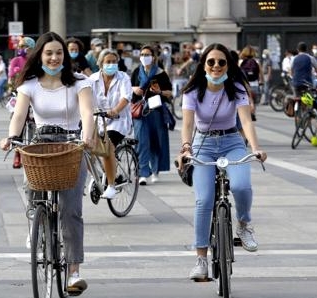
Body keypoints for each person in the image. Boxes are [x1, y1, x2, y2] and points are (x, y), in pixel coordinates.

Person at [0, 31, 95, 295]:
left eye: (59, 53)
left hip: (72, 144)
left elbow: (87, 113)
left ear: (65, 55)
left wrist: (87, 136)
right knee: (32, 189)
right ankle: (37, 221)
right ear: (39, 55)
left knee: (71, 210)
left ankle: (74, 271)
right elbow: (19, 115)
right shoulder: (29, 84)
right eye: (49, 53)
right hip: (40, 143)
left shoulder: (79, 82)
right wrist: (11, 137)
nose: (54, 58)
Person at [175, 43, 267, 281]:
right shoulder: (192, 90)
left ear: (229, 65)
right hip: (203, 145)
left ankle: (244, 224)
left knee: (241, 186)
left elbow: (246, 122)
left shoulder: (236, 88)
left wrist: (255, 148)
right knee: (203, 200)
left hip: (232, 142)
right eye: (211, 62)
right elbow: (187, 125)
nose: (216, 66)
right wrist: (186, 148)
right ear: (203, 64)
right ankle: (201, 260)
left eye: (221, 62)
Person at [89, 48, 132, 199]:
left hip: (118, 121)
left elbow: (126, 97)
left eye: (114, 62)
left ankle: (112, 185)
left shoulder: (123, 77)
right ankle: (101, 176)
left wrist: (115, 110)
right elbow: (85, 98)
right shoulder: (92, 79)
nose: (111, 65)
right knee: (85, 149)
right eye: (108, 62)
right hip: (98, 120)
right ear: (100, 63)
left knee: (107, 147)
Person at [131, 45, 173, 185]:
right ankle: (143, 172)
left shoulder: (161, 73)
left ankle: (155, 170)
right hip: (140, 111)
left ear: (153, 57)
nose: (144, 57)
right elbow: (128, 88)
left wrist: (160, 92)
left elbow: (170, 93)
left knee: (156, 141)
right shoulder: (137, 71)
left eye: (147, 54)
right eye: (142, 54)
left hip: (156, 110)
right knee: (141, 142)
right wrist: (134, 89)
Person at [8, 36, 36, 169]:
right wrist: (11, 90)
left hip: (35, 96)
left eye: (25, 47)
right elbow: (11, 79)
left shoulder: (36, 62)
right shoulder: (16, 60)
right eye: (20, 47)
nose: (22, 49)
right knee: (18, 122)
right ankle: (17, 154)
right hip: (19, 95)